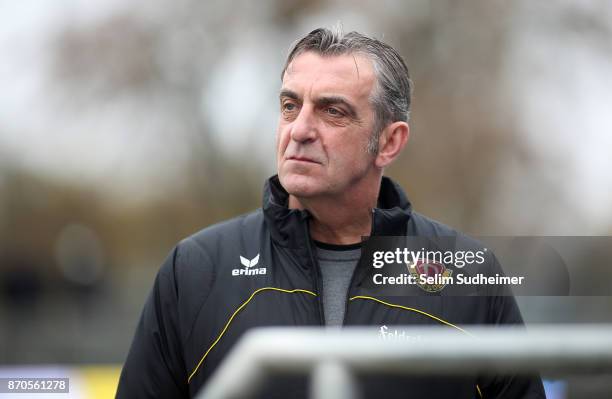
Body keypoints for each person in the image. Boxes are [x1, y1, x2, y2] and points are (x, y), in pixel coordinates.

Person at [116, 27, 546, 398]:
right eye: (290, 106)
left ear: (389, 142)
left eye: (332, 111)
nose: (299, 130)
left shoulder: (467, 276)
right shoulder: (194, 270)